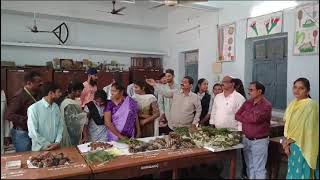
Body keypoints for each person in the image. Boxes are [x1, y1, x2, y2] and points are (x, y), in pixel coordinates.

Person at [282, 78, 319, 179]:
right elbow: (287, 124)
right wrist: (285, 142)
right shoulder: (293, 103)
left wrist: (287, 142)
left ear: (308, 91)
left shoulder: (311, 105)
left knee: (302, 173)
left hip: (304, 145)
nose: (296, 90)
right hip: (291, 145)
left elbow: (306, 130)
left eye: (301, 88)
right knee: (293, 172)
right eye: (295, 87)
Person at [235, 81, 272, 179]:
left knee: (259, 168)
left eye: (251, 90)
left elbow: (255, 119)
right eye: (249, 90)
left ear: (259, 91)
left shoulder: (266, 105)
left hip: (259, 141)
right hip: (246, 139)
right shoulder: (247, 102)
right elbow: (237, 115)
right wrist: (249, 117)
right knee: (250, 166)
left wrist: (245, 116)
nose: (249, 92)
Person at [5, 71, 43, 152]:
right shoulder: (19, 96)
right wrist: (27, 120)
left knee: (34, 157)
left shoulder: (38, 94)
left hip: (34, 131)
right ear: (29, 83)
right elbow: (9, 115)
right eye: (38, 82)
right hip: (22, 133)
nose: (41, 83)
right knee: (25, 158)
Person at [27, 82, 63, 151]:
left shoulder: (56, 107)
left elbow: (60, 126)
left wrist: (57, 142)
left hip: (55, 147)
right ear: (51, 93)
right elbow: (33, 132)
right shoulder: (34, 108)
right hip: (40, 149)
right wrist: (48, 144)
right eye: (59, 92)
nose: (60, 94)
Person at [60, 82, 87, 147]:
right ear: (72, 91)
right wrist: (85, 114)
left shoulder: (74, 100)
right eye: (79, 91)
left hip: (74, 131)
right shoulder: (68, 103)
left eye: (81, 91)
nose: (80, 93)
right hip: (69, 132)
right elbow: (72, 120)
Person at [157, 69, 179, 134]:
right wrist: (162, 113)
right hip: (167, 113)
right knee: (169, 133)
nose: (167, 78)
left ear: (173, 76)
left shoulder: (178, 87)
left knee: (177, 132)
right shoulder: (162, 87)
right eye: (166, 76)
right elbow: (160, 102)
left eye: (169, 76)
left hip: (177, 113)